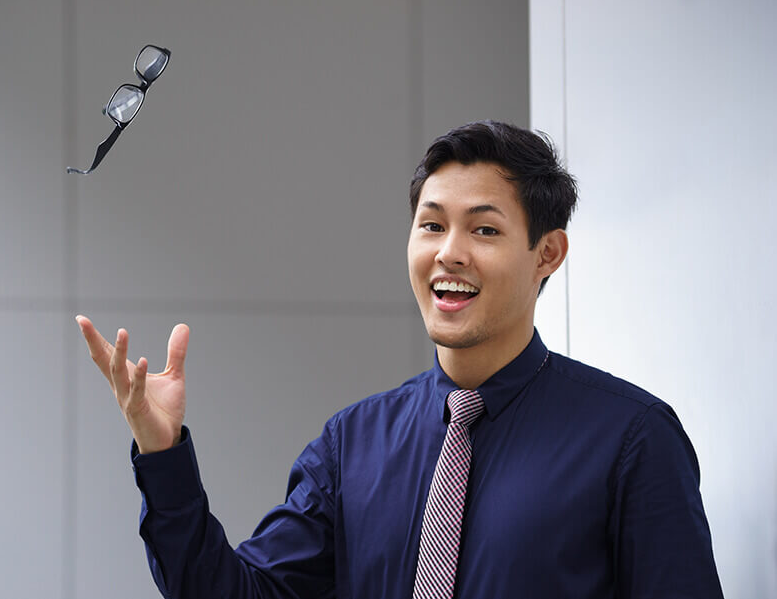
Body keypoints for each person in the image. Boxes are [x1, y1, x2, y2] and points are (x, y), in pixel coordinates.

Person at [76, 120, 723, 598]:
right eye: (432, 224)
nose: (450, 253)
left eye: (485, 229)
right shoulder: (350, 445)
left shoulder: (632, 439)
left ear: (548, 253)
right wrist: (163, 456)